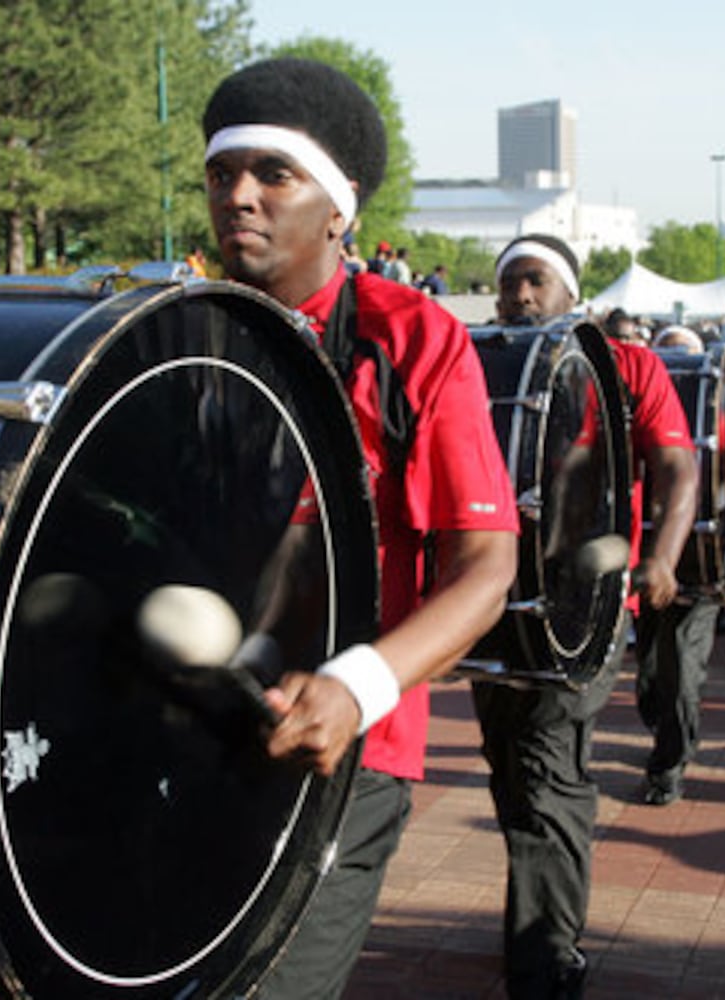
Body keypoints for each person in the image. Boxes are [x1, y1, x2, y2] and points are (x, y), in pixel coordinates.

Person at [201, 58, 519, 998]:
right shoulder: (175, 331)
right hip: (186, 724)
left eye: (273, 174)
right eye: (222, 176)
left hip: (348, 747)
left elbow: (486, 569)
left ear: (337, 209)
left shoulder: (417, 337)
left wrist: (353, 686)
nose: (240, 197)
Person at [475, 233, 696, 996]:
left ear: (571, 292)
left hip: (588, 609)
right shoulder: (483, 362)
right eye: (508, 286)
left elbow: (676, 465)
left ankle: (546, 956)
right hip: (492, 601)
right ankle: (537, 914)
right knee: (509, 769)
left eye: (534, 283)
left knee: (547, 770)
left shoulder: (626, 367)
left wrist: (662, 556)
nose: (520, 299)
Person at [643, 326, 725, 802]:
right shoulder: (634, 403)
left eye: (684, 360)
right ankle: (668, 729)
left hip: (703, 556)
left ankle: (669, 765)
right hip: (640, 557)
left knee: (680, 665)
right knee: (650, 676)